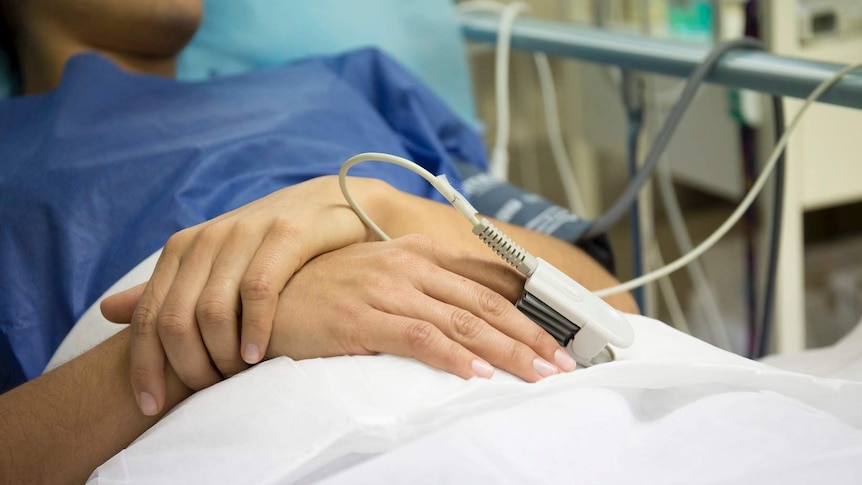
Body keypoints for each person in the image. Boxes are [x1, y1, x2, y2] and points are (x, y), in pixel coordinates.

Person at [0, 0, 636, 482]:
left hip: (561, 402)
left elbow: (622, 311)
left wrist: (374, 206)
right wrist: (225, 321)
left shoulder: (353, 83)